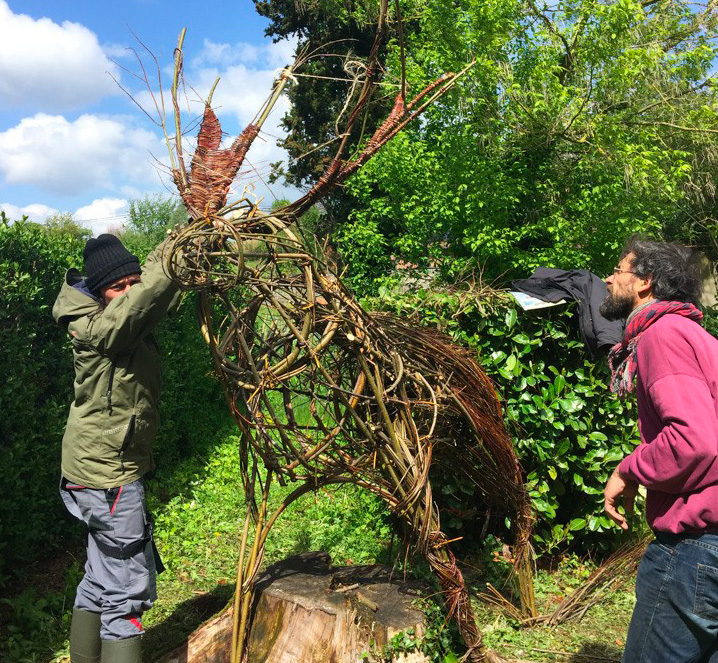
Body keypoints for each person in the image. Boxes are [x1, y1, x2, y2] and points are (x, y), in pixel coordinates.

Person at [52, 234, 182, 663]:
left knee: (99, 577)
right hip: (108, 476)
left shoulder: (115, 316)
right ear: (98, 291)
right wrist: (168, 253)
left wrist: (183, 245)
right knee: (126, 591)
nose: (127, 292)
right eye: (117, 286)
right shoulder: (97, 327)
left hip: (91, 471)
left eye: (133, 282)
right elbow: (140, 304)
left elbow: (154, 300)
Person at [600, 237, 718, 663]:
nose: (608, 278)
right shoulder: (694, 335)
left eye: (618, 269)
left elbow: (694, 441)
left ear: (645, 282)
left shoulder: (662, 336)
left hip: (694, 553)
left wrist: (629, 469)